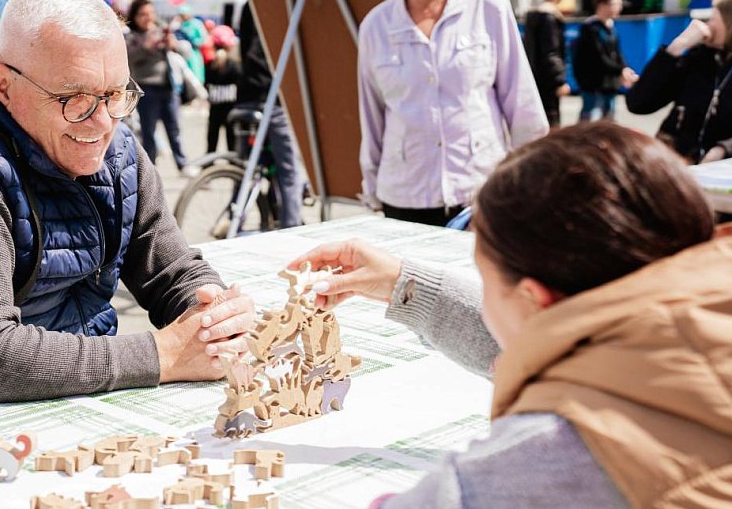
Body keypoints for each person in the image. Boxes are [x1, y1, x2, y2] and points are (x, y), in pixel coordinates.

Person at [291, 122, 732, 507]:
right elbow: (573, 347)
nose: (485, 298)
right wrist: (405, 285)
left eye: (486, 282)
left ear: (534, 299)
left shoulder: (517, 473)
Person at [0, 0, 256, 403]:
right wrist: (162, 355)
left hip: (72, 402)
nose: (103, 122)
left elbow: (171, 269)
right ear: (3, 85)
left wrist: (213, 316)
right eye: (73, 98)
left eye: (115, 94)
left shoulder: (118, 148)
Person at [358, 0, 548, 227]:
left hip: (480, 189)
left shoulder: (488, 5)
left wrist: (530, 179)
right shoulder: (376, 25)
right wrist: (372, 184)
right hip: (405, 195)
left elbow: (521, 100)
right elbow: (371, 113)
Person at [236, 0, 307, 229]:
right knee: (291, 173)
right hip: (272, 98)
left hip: (246, 97)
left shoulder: (249, 4)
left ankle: (234, 214)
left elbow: (246, 53)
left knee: (246, 168)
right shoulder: (286, 3)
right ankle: (292, 232)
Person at [627, 0, 732, 163]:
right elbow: (639, 103)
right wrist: (674, 49)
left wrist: (723, 149)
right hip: (674, 165)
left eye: (714, 18)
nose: (708, 24)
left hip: (719, 174)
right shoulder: (698, 59)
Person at [125, 0, 192, 174]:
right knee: (149, 131)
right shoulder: (131, 35)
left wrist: (172, 44)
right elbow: (128, 57)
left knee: (174, 127)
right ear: (135, 16)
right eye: (143, 14)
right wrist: (145, 46)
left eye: (150, 13)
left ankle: (182, 163)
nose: (148, 18)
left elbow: (187, 53)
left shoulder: (162, 31)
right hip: (146, 88)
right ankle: (150, 169)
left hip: (168, 86)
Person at [573, 0, 638, 122]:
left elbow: (617, 53)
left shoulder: (611, 26)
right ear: (601, 5)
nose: (619, 8)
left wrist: (625, 68)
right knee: (589, 122)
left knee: (608, 121)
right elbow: (599, 57)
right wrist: (620, 70)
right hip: (593, 85)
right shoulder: (590, 28)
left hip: (610, 84)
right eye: (615, 4)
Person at [523, 0, 570, 127]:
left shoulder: (533, 15)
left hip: (533, 78)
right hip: (548, 82)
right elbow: (551, 51)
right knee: (551, 125)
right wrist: (559, 80)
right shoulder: (549, 17)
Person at [204, 25, 241, 154]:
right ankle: (235, 166)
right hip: (231, 107)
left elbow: (206, 84)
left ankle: (209, 164)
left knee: (212, 139)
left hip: (215, 107)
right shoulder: (235, 66)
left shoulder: (209, 65)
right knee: (232, 141)